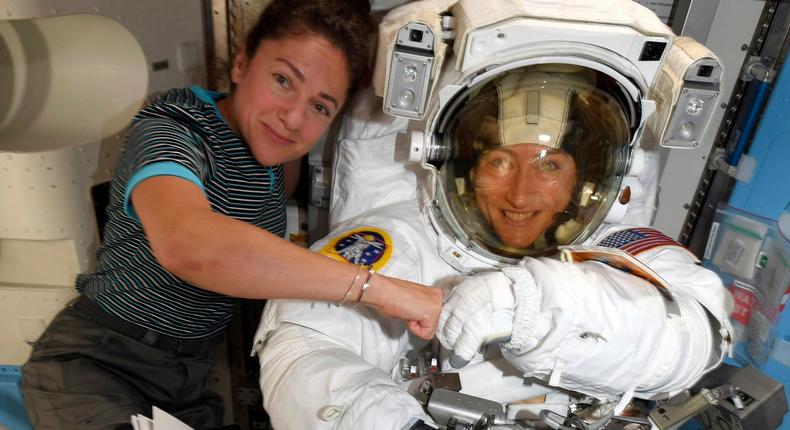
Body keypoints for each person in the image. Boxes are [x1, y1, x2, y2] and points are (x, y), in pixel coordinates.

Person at [20, 1, 442, 428]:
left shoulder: (277, 155)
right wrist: (375, 288)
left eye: (320, 106)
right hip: (98, 364)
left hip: (186, 380)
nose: (293, 118)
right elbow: (189, 244)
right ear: (241, 63)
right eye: (282, 80)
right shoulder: (174, 126)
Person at [252, 64, 734, 429]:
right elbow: (304, 348)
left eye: (550, 166)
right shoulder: (403, 240)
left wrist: (530, 305)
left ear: (584, 178)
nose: (521, 195)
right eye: (499, 162)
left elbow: (696, 336)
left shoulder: (615, 248)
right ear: (463, 169)